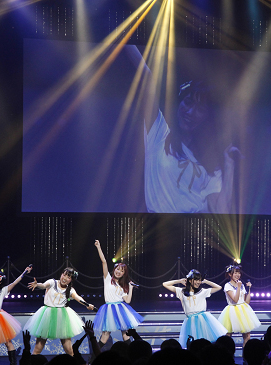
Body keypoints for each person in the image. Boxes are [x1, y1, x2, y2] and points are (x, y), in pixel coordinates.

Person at [127, 45, 240, 213]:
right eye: (187, 102)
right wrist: (123, 36)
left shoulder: (209, 162)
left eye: (200, 109)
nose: (190, 112)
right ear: (179, 102)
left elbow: (221, 212)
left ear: (206, 118)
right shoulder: (160, 134)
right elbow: (147, 77)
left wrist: (230, 165)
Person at [24, 268, 95, 356]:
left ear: (71, 280)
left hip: (62, 318)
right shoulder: (52, 282)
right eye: (64, 275)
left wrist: (87, 304)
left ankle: (73, 364)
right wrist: (37, 284)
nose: (65, 278)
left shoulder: (70, 289)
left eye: (68, 277)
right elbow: (43, 285)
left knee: (69, 350)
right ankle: (32, 363)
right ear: (61, 274)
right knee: (38, 348)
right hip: (47, 316)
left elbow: (77, 297)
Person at [93, 240, 144, 348]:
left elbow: (128, 301)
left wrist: (130, 288)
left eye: (122, 271)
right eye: (117, 269)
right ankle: (93, 356)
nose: (119, 272)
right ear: (114, 269)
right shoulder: (107, 279)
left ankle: (131, 354)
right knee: (105, 336)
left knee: (126, 335)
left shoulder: (122, 286)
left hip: (121, 309)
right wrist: (98, 247)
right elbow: (104, 262)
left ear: (124, 273)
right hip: (108, 309)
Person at [162, 270, 227, 348]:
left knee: (205, 344)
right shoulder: (181, 292)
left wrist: (206, 281)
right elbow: (165, 284)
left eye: (199, 280)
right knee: (192, 345)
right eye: (196, 280)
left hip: (202, 320)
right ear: (190, 280)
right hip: (190, 321)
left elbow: (218, 287)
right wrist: (179, 281)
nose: (198, 282)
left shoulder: (202, 291)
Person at [217, 264, 261, 347]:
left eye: (239, 273)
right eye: (235, 273)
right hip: (232, 311)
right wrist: (238, 287)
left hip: (243, 310)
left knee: (247, 336)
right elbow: (235, 300)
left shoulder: (241, 285)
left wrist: (249, 289)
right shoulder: (227, 285)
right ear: (230, 274)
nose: (238, 275)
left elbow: (247, 301)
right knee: (228, 336)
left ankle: (245, 354)